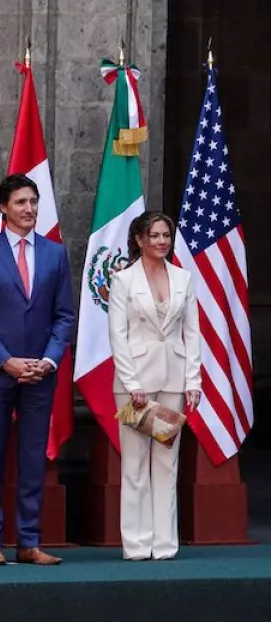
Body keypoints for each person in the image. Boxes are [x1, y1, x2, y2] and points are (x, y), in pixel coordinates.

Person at [0, 174, 75, 566]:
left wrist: (47, 360)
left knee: (32, 459)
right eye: (21, 202)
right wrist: (6, 361)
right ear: (3, 208)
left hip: (40, 373)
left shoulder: (55, 254)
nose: (29, 209)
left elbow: (64, 316)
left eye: (34, 202)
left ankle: (29, 542)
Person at [107, 210, 201, 561]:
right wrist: (132, 384)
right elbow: (117, 336)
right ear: (139, 240)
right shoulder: (123, 281)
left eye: (166, 235)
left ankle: (164, 545)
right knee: (134, 464)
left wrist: (194, 381)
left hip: (174, 378)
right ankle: (136, 544)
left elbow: (192, 333)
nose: (162, 241)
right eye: (156, 235)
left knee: (166, 462)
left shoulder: (184, 278)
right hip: (134, 385)